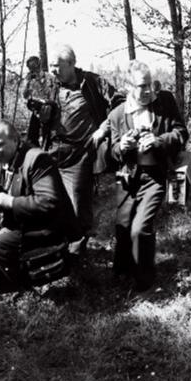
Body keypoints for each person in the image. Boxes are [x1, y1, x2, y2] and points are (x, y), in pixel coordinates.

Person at [108, 61, 188, 292]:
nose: (148, 91)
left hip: (155, 176)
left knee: (140, 228)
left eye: (150, 85)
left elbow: (182, 133)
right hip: (128, 178)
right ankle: (122, 275)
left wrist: (159, 140)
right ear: (128, 87)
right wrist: (121, 146)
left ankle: (145, 282)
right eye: (141, 86)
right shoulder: (116, 115)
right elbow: (112, 152)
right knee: (123, 228)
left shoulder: (164, 102)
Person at [39, 44, 122, 256]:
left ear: (71, 64)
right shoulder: (51, 86)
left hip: (79, 152)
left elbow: (120, 103)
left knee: (77, 201)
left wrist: (105, 127)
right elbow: (43, 118)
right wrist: (43, 117)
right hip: (52, 150)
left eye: (57, 66)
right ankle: (56, 248)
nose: (54, 71)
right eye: (51, 66)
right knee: (48, 199)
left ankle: (79, 253)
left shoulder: (92, 82)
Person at [0, 120, 82, 294]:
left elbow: (49, 202)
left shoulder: (37, 159)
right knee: (0, 239)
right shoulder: (9, 158)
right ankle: (22, 283)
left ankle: (17, 291)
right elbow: (19, 189)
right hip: (31, 219)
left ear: (15, 140)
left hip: (51, 225)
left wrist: (9, 201)